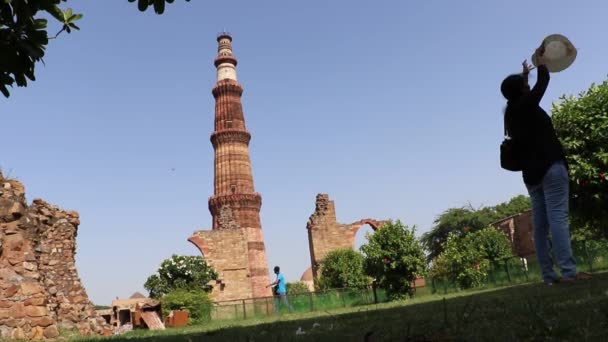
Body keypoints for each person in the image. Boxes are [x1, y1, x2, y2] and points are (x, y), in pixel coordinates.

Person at [500, 47, 590, 285]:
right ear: (520, 91)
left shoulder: (511, 113)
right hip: (550, 166)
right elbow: (544, 82)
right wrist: (541, 63)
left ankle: (549, 277)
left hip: (531, 176)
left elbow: (526, 92)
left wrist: (524, 77)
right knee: (558, 219)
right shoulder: (526, 106)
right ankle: (569, 272)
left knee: (540, 228)